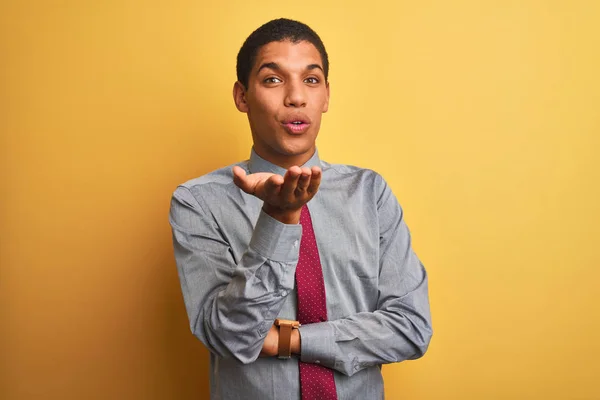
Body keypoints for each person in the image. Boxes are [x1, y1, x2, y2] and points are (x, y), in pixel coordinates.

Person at [169, 18, 432, 400]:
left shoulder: (369, 193)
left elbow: (411, 327)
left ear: (326, 95)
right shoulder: (198, 202)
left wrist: (288, 339)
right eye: (273, 80)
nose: (296, 97)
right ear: (242, 96)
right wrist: (278, 219)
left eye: (311, 80)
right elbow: (233, 336)